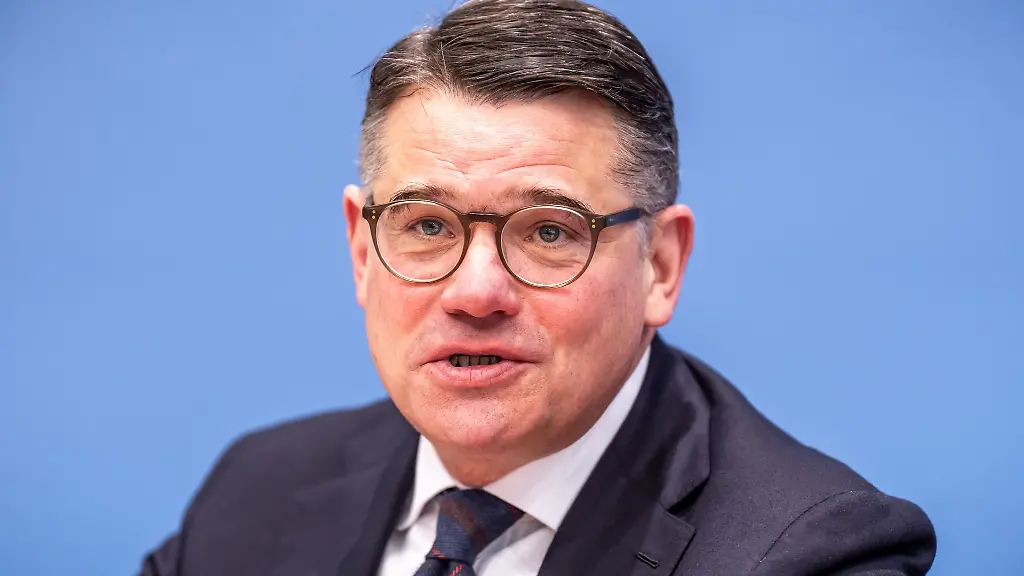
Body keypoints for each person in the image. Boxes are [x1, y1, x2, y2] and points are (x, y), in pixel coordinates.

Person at [139, 1, 936, 574]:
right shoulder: (254, 495)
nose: (475, 291)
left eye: (549, 232)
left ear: (660, 265)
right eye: (426, 225)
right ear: (360, 249)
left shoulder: (809, 553)